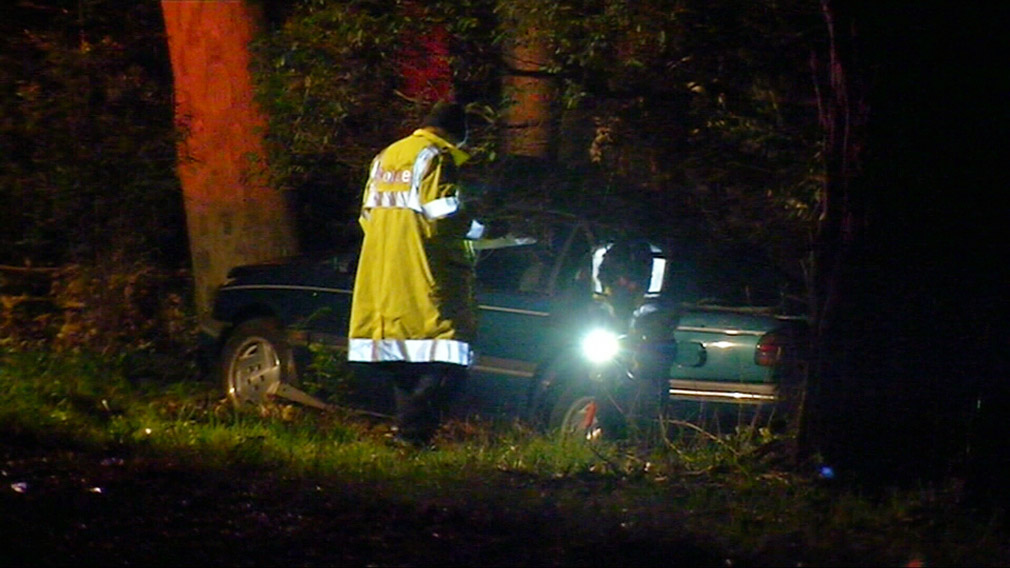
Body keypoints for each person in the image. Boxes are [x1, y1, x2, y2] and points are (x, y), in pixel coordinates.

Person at [347, 101, 485, 446]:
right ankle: (411, 436)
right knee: (449, 361)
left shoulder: (385, 158)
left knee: (407, 367)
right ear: (458, 135)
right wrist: (483, 228)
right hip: (426, 278)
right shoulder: (437, 157)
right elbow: (444, 217)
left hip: (382, 278)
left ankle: (409, 438)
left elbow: (367, 218)